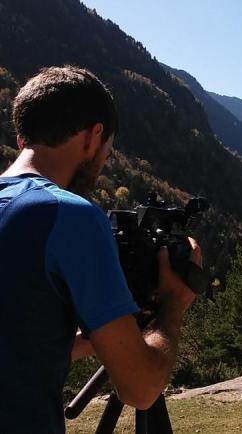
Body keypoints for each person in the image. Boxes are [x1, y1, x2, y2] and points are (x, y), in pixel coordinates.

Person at [0, 66, 201, 433]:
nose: (104, 160)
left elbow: (23, 346)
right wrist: (173, 303)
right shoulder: (67, 214)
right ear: (94, 136)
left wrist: (106, 332)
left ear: (21, 139)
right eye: (108, 151)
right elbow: (140, 389)